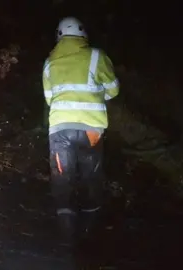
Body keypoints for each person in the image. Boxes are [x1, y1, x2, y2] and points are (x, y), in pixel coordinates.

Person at [42, 17, 119, 245]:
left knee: (61, 177)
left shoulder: (49, 63)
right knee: (91, 176)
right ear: (83, 33)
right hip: (91, 129)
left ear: (58, 36)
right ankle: (89, 230)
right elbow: (113, 90)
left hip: (59, 130)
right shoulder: (97, 56)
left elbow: (49, 99)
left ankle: (66, 236)